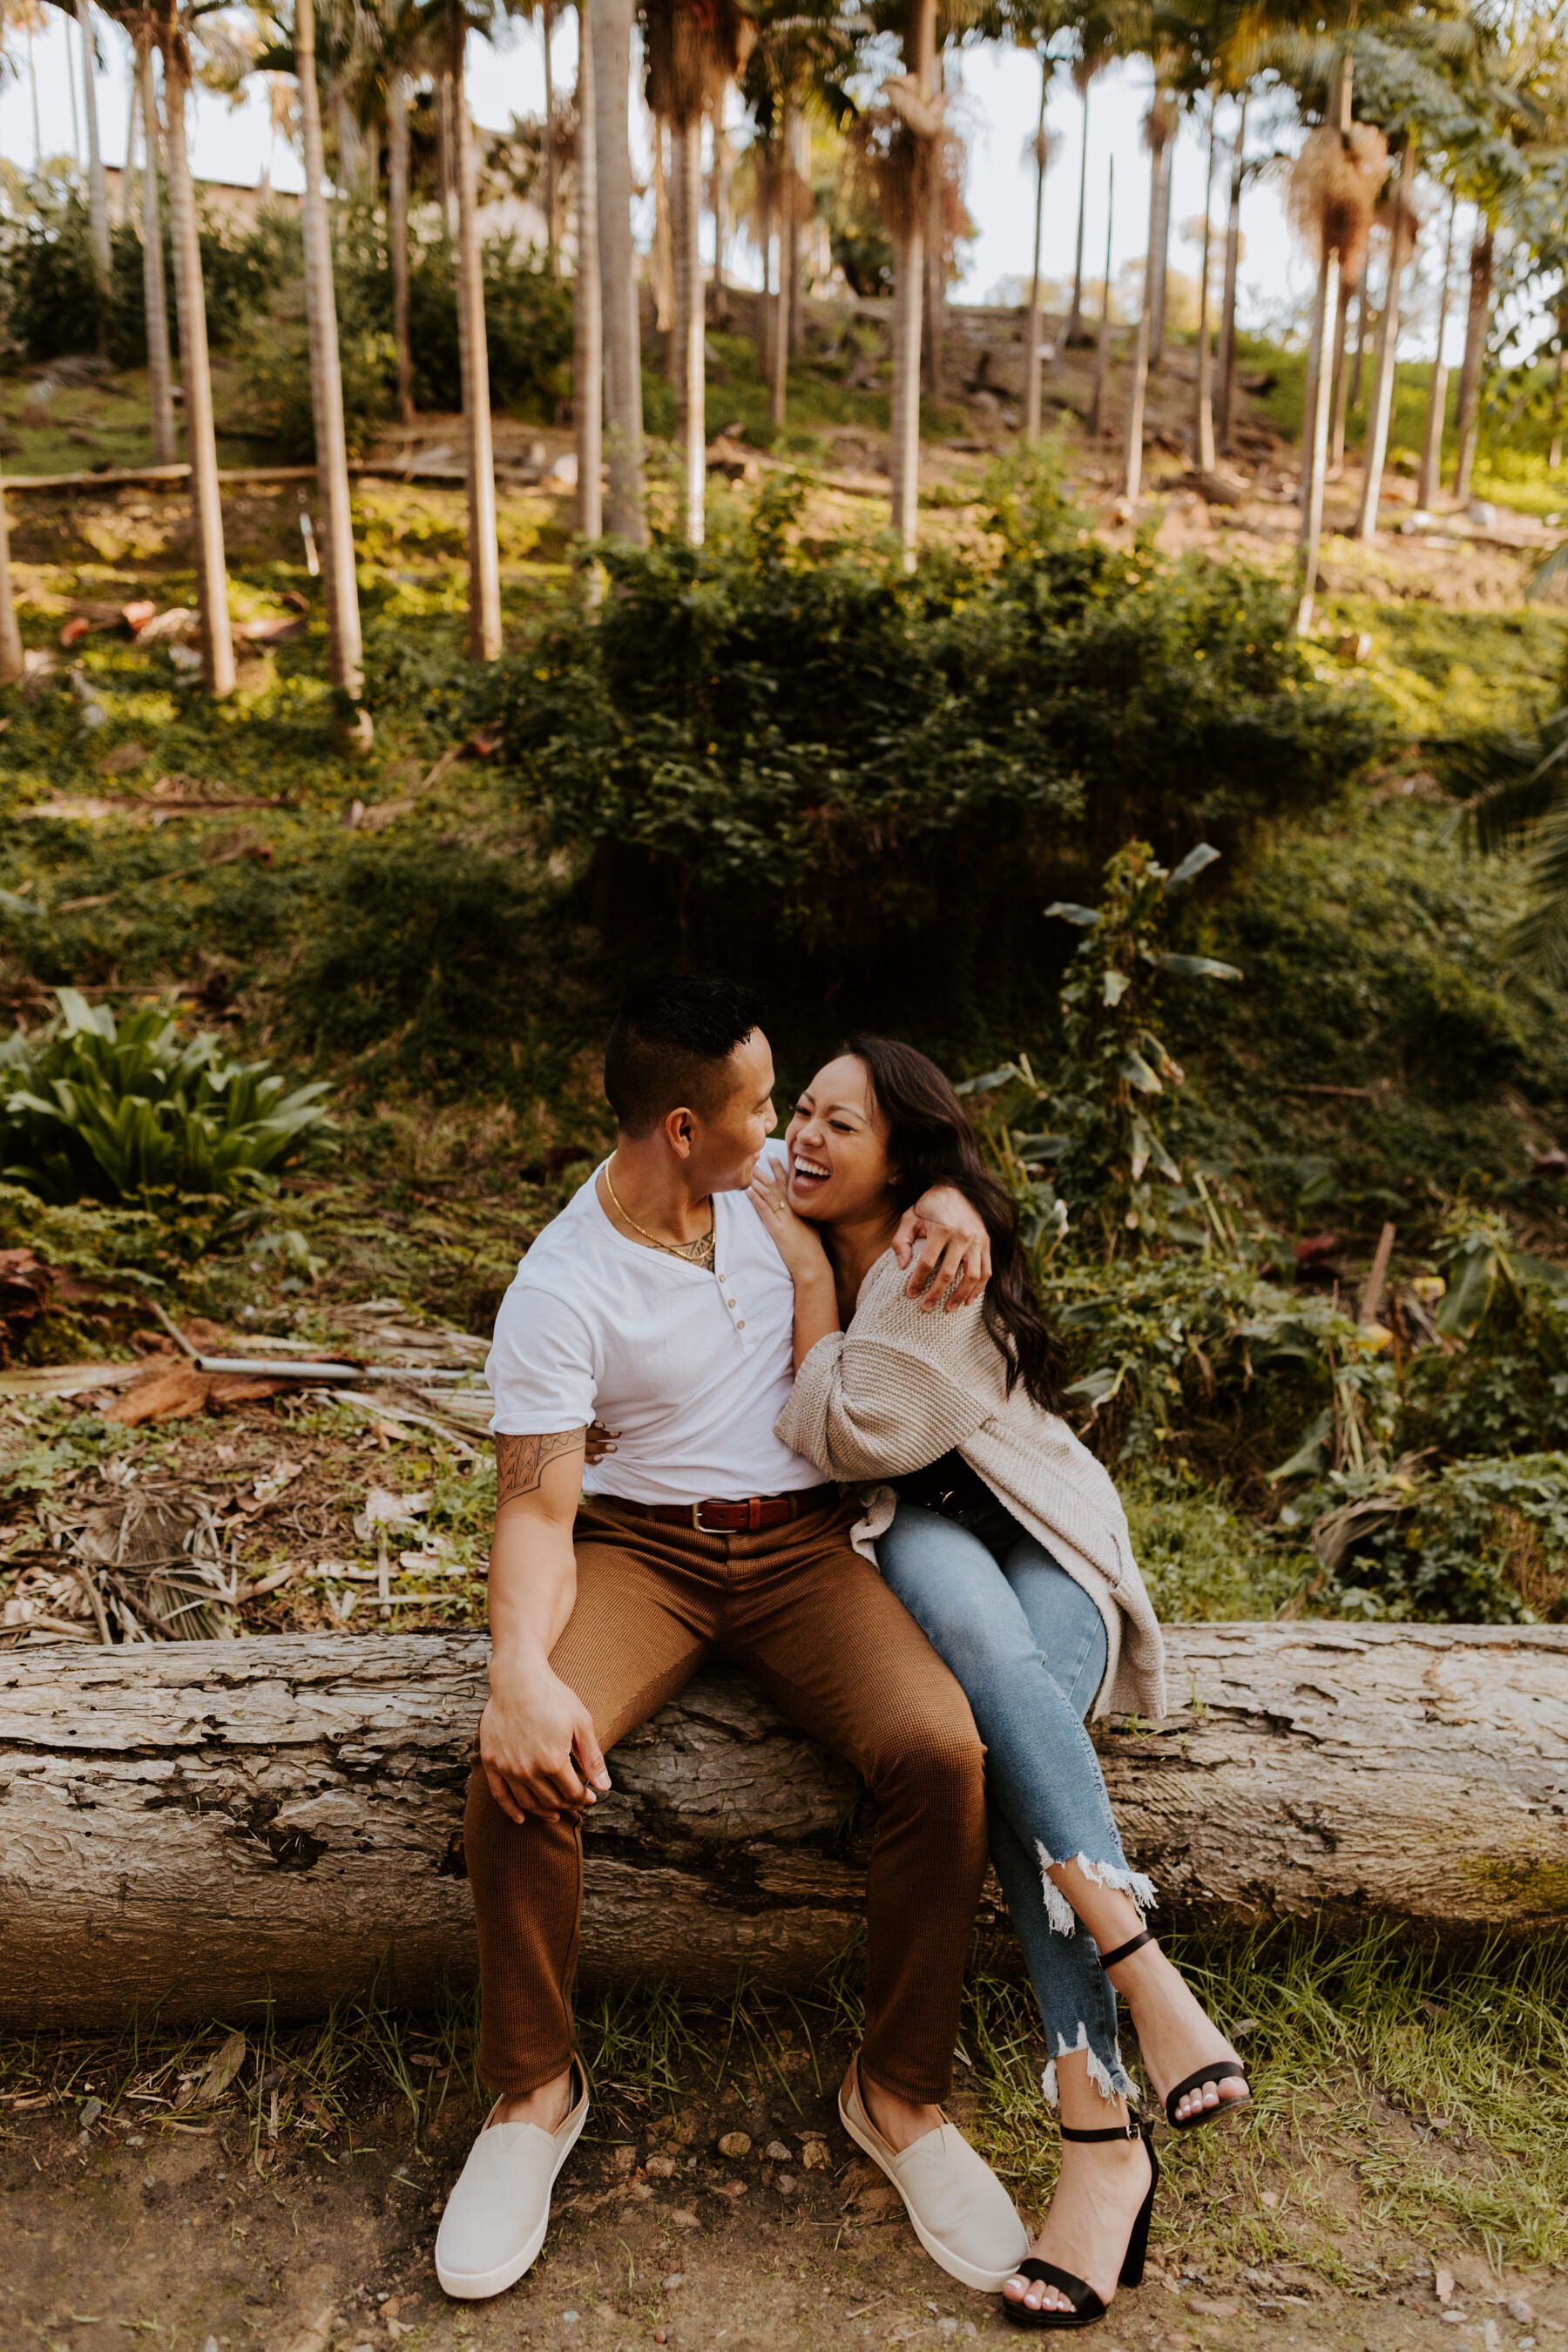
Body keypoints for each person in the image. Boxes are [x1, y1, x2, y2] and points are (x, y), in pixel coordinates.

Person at [436, 976, 1031, 2306]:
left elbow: (927, 1186)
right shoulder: (560, 1284)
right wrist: (518, 1673)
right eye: (762, 1109)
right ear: (681, 1128)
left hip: (806, 1551)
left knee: (941, 1754)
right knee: (519, 1766)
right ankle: (532, 2095)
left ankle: (900, 2097)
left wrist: (958, 1204)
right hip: (642, 1552)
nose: (786, 1137)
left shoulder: (779, 1203)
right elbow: (536, 1507)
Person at [748, 1036, 1251, 2335]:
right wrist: (810, 1261)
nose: (803, 1136)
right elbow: (851, 1432)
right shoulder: (787, 1189)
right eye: (799, 1109)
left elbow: (849, 1421)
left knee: (1005, 1708)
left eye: (837, 1123)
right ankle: (1139, 2004)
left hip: (1045, 1538)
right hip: (919, 1528)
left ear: (906, 1156)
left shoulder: (934, 1251)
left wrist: (954, 1203)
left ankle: (1103, 2137)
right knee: (982, 1664)